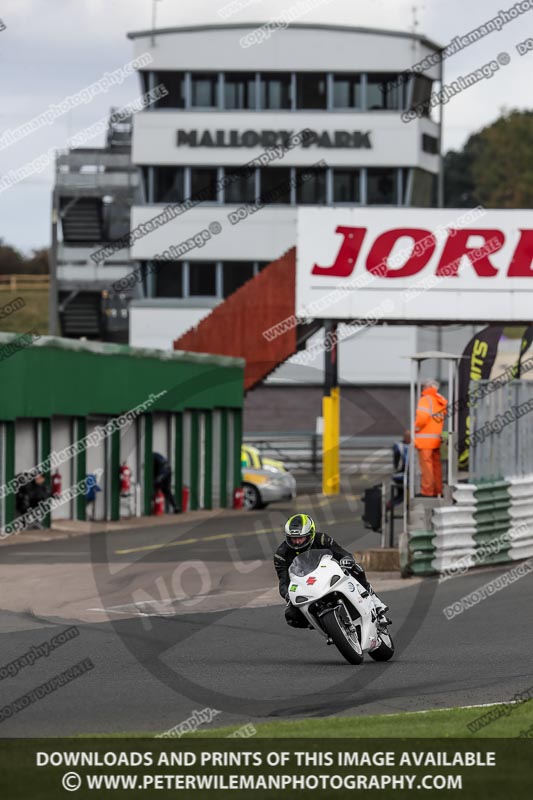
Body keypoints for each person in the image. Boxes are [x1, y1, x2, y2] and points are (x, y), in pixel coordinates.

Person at [274, 514, 391, 630]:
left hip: (329, 574)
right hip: (307, 586)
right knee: (291, 615)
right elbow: (283, 581)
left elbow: (341, 553)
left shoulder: (322, 539)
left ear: (311, 534)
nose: (298, 542)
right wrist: (288, 595)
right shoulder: (281, 555)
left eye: (301, 538)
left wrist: (347, 559)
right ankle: (323, 625)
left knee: (356, 568)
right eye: (293, 539)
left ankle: (375, 601)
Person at [415, 379, 448, 497]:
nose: (422, 389)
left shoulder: (425, 400)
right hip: (436, 439)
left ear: (428, 387)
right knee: (436, 467)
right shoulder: (440, 401)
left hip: (425, 440)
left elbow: (422, 419)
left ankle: (427, 491)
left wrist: (415, 428)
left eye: (424, 386)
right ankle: (437, 490)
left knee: (426, 467)